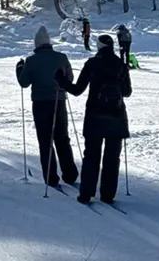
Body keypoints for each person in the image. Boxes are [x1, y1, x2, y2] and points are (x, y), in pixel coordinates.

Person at [56, 35, 131, 205]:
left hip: (95, 117)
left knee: (92, 156)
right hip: (117, 116)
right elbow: (127, 92)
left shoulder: (92, 64)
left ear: (99, 46)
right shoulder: (121, 64)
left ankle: (86, 193)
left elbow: (76, 90)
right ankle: (108, 194)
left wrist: (61, 80)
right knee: (112, 158)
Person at [16, 26, 78, 187]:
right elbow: (69, 79)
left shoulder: (31, 61)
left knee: (45, 141)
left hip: (40, 103)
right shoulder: (62, 57)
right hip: (59, 101)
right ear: (49, 43)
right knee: (62, 138)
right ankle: (70, 174)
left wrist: (19, 69)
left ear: (36, 45)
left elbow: (24, 83)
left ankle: (51, 177)